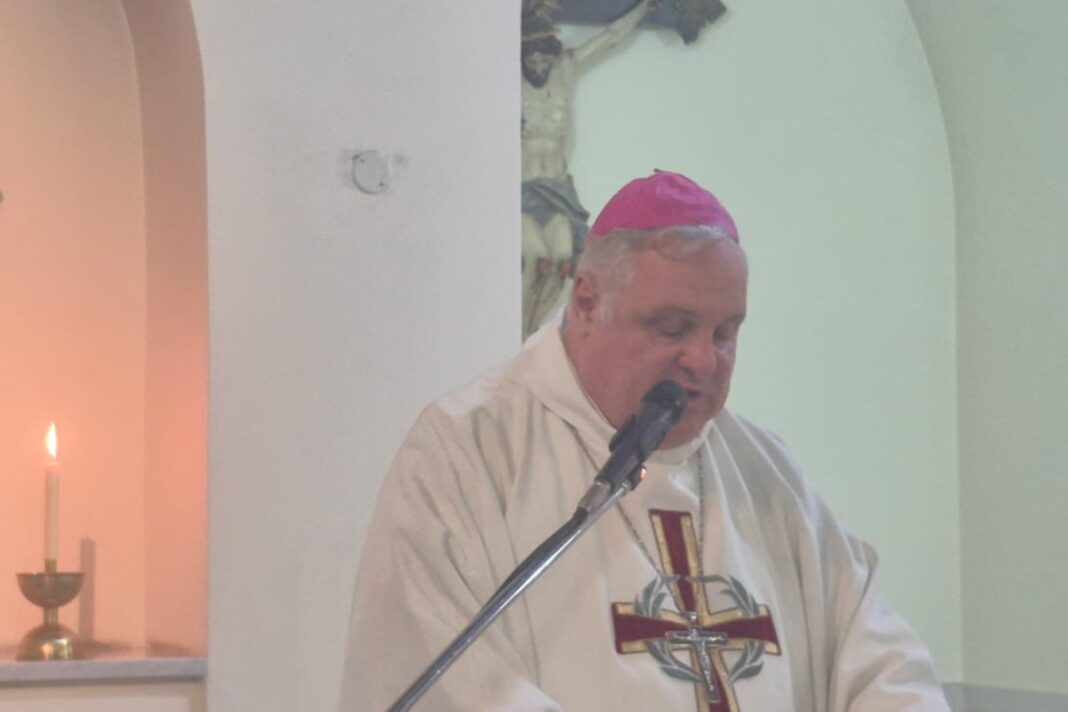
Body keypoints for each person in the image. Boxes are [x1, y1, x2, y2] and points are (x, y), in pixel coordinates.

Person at [340, 171, 951, 711]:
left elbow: (879, 662)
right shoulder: (469, 453)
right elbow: (448, 684)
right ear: (586, 302)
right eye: (673, 327)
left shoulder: (765, 474)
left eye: (725, 333)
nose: (703, 361)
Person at [520, 0, 658, 339]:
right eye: (530, 60)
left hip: (557, 189)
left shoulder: (565, 72)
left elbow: (610, 38)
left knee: (562, 261)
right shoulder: (509, 84)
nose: (537, 66)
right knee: (534, 256)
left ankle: (533, 335)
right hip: (522, 189)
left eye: (542, 59)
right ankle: (515, 331)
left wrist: (643, 9)